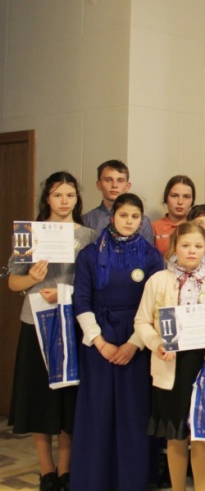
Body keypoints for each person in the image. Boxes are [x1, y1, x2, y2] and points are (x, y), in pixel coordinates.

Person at [7, 172, 97, 491]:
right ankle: (46, 469)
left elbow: (92, 283)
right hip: (36, 323)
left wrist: (64, 294)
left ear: (77, 199)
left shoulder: (88, 235)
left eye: (70, 195)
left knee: (67, 398)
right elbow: (13, 281)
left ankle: (65, 469)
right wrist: (32, 278)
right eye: (58, 195)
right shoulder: (29, 233)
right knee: (39, 396)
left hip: (71, 323)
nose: (64, 201)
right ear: (47, 198)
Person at [70, 193, 164, 491]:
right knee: (97, 410)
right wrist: (100, 342)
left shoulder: (151, 256)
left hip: (137, 340)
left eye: (135, 217)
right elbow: (81, 300)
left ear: (141, 220)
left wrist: (134, 344)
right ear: (113, 217)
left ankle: (131, 481)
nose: (129, 221)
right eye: (124, 215)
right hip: (99, 339)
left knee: (133, 412)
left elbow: (156, 306)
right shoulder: (90, 254)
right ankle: (93, 480)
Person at [134, 222, 205, 491]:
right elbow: (141, 322)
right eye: (186, 245)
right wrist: (156, 343)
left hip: (204, 367)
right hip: (170, 368)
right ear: (174, 248)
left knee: (201, 435)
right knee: (175, 434)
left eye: (198, 246)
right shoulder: (158, 280)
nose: (192, 251)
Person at [82, 159, 155, 245]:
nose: (114, 185)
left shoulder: (143, 222)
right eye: (108, 180)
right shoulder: (87, 220)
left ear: (127, 186)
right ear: (99, 184)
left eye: (120, 180)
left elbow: (148, 252)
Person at [151, 175, 196, 256]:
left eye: (186, 197)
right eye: (174, 196)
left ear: (192, 201)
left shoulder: (196, 227)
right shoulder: (154, 228)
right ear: (166, 198)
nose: (180, 202)